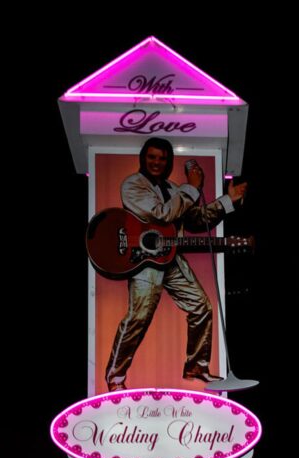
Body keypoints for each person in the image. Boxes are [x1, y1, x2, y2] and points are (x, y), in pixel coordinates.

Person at [105, 136, 247, 391]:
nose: (157, 163)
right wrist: (191, 188)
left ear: (168, 161)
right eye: (152, 157)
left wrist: (228, 201)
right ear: (143, 159)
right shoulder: (132, 185)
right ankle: (115, 378)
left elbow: (195, 220)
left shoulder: (173, 188)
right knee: (138, 317)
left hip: (170, 256)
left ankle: (197, 366)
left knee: (202, 306)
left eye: (162, 158)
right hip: (144, 259)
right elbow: (161, 214)